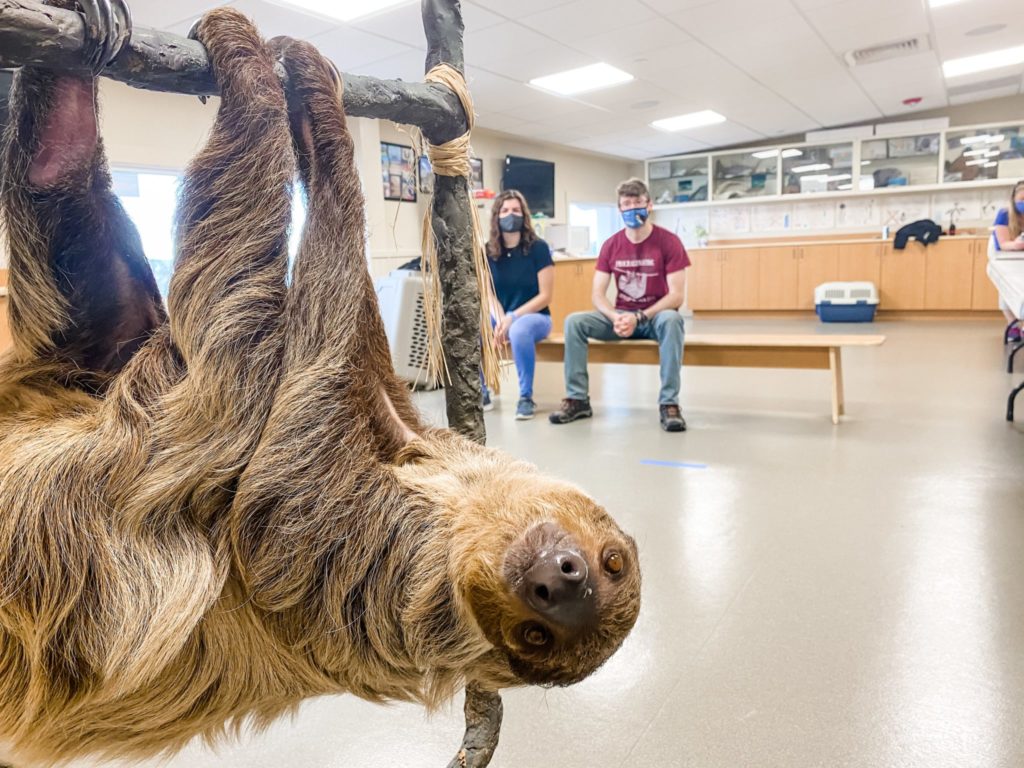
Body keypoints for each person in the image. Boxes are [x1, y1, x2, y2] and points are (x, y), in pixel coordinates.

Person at [549, 178, 690, 432]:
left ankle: (669, 404)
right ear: (619, 209)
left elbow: (677, 296)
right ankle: (578, 399)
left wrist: (640, 316)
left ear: (649, 205)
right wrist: (615, 317)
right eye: (627, 204)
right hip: (621, 317)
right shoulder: (611, 245)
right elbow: (597, 294)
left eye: (638, 202)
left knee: (673, 319)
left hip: (654, 317)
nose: (632, 208)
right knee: (574, 322)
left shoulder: (669, 242)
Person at [483, 190, 554, 420]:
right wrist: (501, 317)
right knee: (474, 327)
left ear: (524, 215)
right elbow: (488, 293)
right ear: (496, 216)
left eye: (515, 210)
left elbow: (545, 296)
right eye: (505, 210)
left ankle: (525, 397)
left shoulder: (539, 248)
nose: (510, 214)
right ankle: (480, 391)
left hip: (536, 317)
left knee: (519, 330)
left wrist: (511, 318)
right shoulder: (488, 251)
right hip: (502, 315)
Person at [993, 180, 1024, 341]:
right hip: (1002, 250)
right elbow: (1003, 243)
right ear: (1014, 199)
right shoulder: (1005, 214)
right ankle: (1012, 324)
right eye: (1022, 199)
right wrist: (1016, 244)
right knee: (1007, 283)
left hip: (1021, 252)